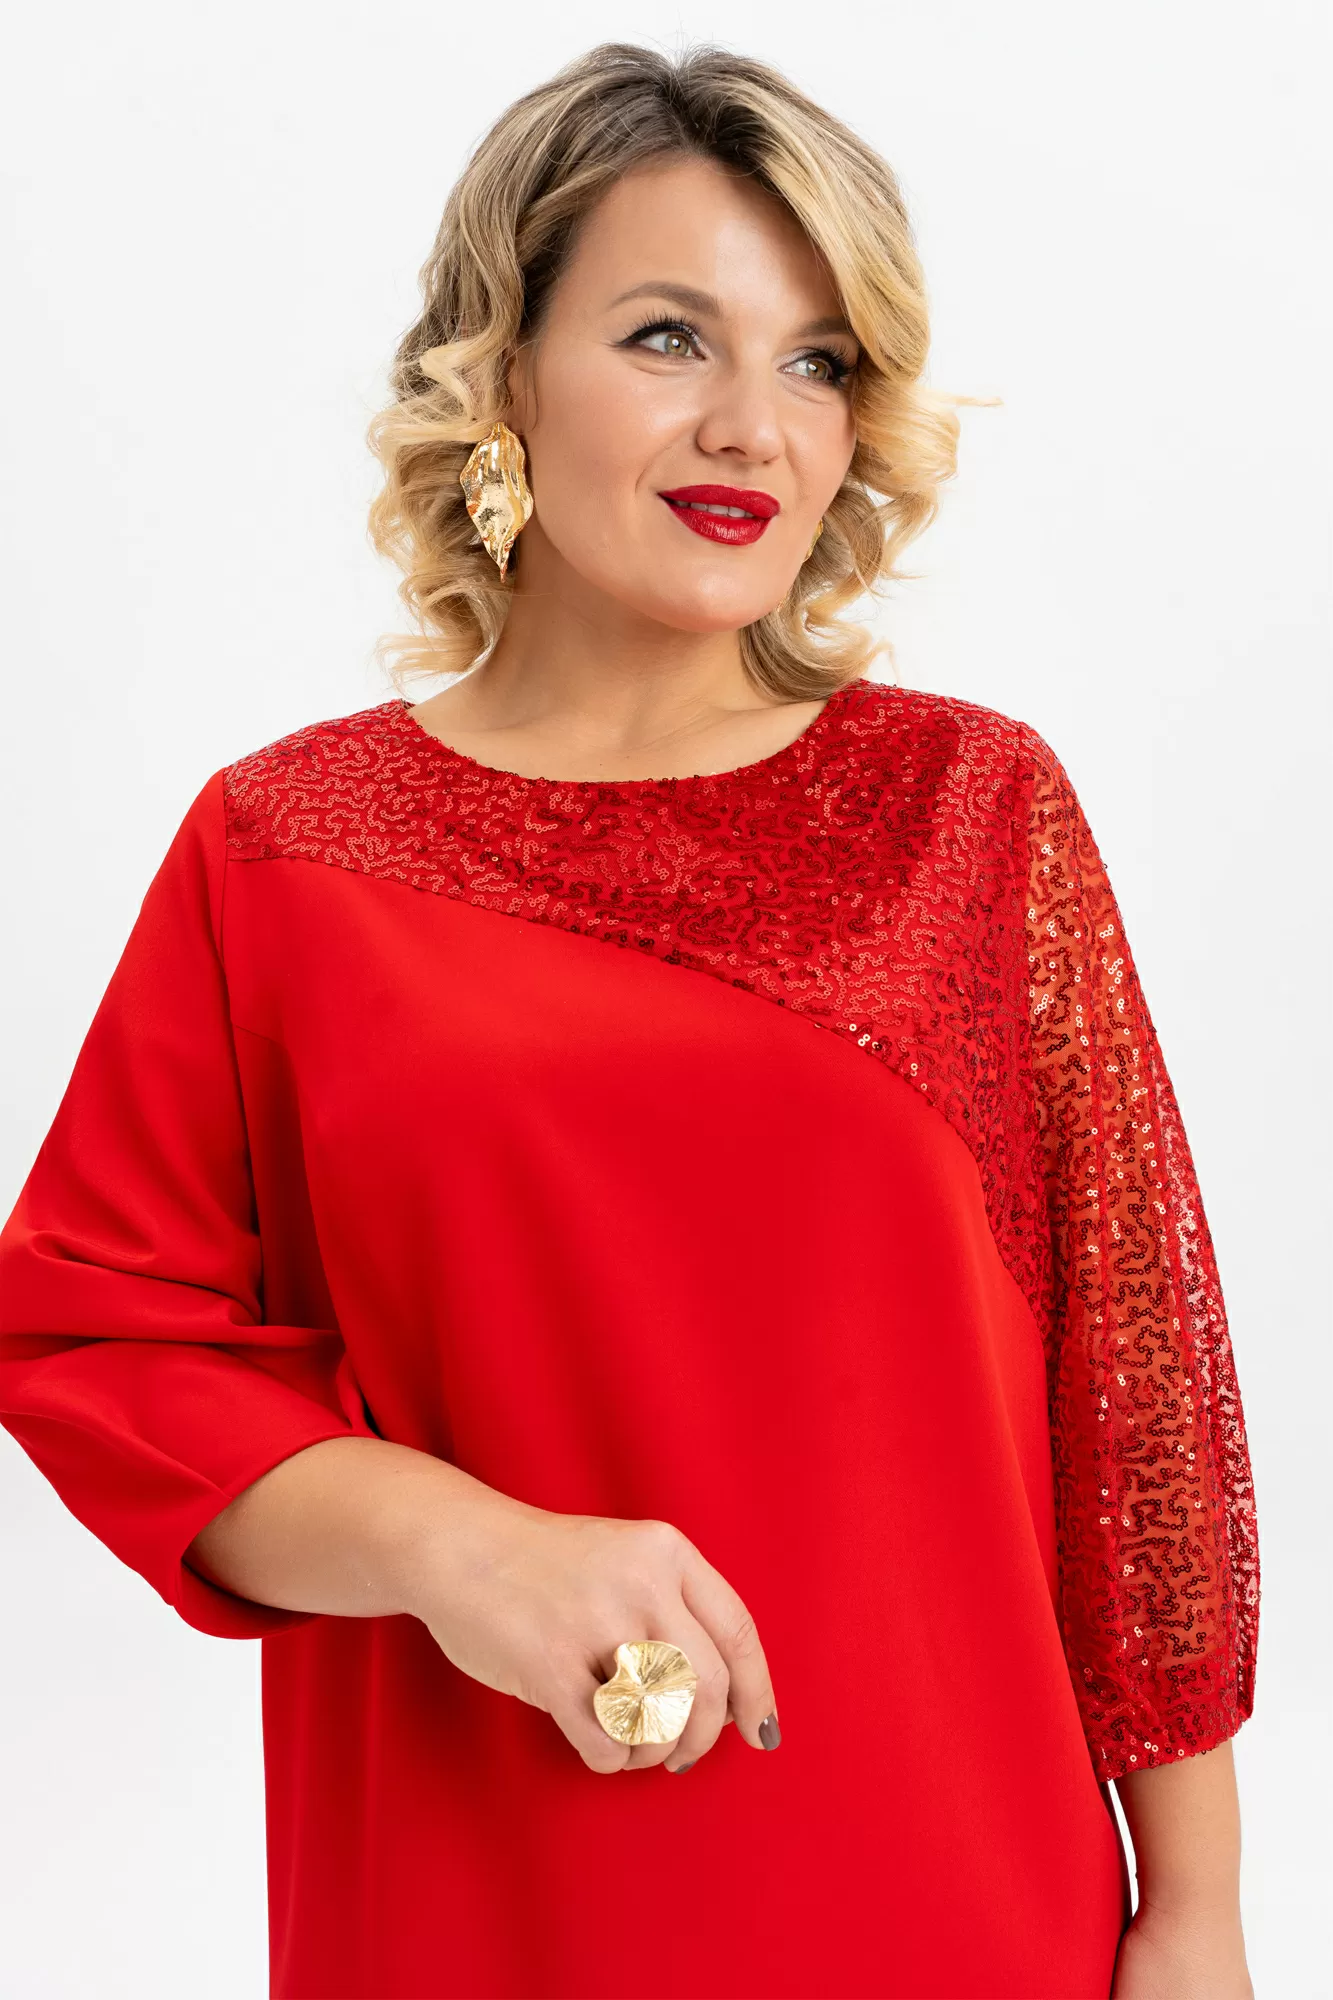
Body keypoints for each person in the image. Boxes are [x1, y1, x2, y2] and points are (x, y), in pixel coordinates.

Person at [0, 41, 1260, 2000]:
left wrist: (1195, 1915)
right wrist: (454, 1544)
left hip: (954, 1898)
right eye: (671, 336)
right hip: (468, 1914)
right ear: (502, 374)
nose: (752, 424)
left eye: (818, 360)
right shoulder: (282, 854)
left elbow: (1140, 1414)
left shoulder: (968, 812)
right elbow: (94, 1341)